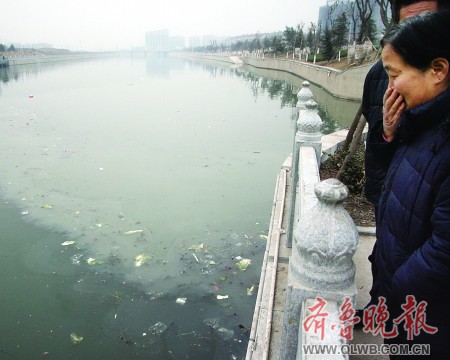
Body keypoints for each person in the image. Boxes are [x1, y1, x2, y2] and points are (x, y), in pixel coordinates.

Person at [366, 10, 450, 358]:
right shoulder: (421, 121)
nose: (389, 87)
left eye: (395, 74)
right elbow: (389, 187)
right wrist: (387, 133)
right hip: (405, 305)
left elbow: (443, 253)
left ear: (438, 70)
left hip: (428, 315)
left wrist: (396, 287)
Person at [362, 0, 446, 212]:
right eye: (408, 23)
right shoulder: (378, 76)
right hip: (390, 205)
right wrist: (387, 134)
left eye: (425, 19)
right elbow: (376, 143)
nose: (392, 87)